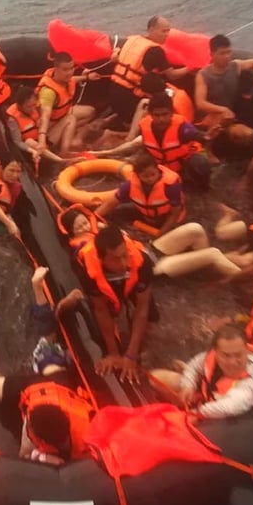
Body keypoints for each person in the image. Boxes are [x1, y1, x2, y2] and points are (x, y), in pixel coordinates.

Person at [0, 293, 95, 464]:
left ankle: (43, 310)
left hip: (58, 382)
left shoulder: (85, 432)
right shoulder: (33, 428)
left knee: (49, 355)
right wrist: (42, 456)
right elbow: (24, 455)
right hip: (33, 388)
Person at [62, 206, 242, 281]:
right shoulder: (87, 249)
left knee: (195, 229)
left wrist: (103, 227)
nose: (85, 227)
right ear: (72, 233)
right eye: (79, 227)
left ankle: (203, 271)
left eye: (85, 222)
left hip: (149, 250)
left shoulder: (100, 231)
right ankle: (251, 280)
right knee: (213, 253)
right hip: (153, 268)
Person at [78, 226, 158, 378]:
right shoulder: (88, 272)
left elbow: (142, 308)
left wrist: (131, 355)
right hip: (106, 283)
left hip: (134, 279)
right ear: (102, 259)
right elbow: (101, 310)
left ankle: (142, 346)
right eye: (116, 259)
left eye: (125, 255)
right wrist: (113, 353)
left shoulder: (142, 262)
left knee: (151, 317)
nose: (124, 263)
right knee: (105, 316)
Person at [93, 93, 217, 189]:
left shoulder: (182, 127)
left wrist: (207, 137)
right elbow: (147, 149)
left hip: (183, 165)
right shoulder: (144, 126)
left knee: (200, 163)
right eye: (157, 115)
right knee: (140, 167)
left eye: (165, 114)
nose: (161, 119)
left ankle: (203, 187)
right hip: (161, 166)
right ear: (150, 114)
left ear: (171, 113)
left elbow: (199, 136)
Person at [150, 324, 253, 419]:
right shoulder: (209, 357)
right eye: (226, 355)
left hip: (224, 419)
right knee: (154, 377)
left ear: (247, 350)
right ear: (216, 352)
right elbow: (194, 367)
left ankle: (180, 411)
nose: (232, 362)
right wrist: (188, 386)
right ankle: (179, 404)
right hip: (205, 398)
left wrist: (197, 413)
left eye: (238, 355)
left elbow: (229, 407)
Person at [107, 15, 191, 131]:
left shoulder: (132, 39)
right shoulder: (155, 50)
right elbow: (172, 75)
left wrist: (115, 52)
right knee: (168, 97)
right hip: (129, 98)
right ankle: (133, 130)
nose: (167, 35)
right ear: (151, 30)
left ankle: (116, 120)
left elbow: (116, 51)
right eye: (163, 31)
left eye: (168, 31)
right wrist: (191, 68)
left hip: (113, 94)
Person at [194, 34, 253, 160]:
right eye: (222, 53)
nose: (227, 56)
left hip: (230, 117)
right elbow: (200, 103)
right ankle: (208, 149)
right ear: (212, 54)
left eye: (228, 52)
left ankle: (240, 151)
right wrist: (222, 110)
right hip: (209, 117)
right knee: (221, 116)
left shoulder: (235, 66)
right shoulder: (203, 75)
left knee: (248, 134)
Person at [96, 151, 186, 234]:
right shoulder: (129, 186)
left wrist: (160, 233)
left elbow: (174, 214)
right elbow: (110, 204)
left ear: (158, 170)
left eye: (153, 174)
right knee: (115, 212)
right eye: (145, 176)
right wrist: (94, 217)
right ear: (138, 176)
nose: (150, 179)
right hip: (146, 215)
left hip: (168, 218)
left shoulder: (171, 186)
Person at [34, 52, 99, 154]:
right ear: (56, 69)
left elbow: (73, 79)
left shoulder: (66, 79)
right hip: (48, 132)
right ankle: (65, 151)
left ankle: (67, 133)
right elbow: (44, 117)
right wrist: (41, 141)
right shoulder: (48, 92)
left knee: (90, 111)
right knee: (70, 118)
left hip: (60, 117)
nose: (69, 73)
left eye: (71, 68)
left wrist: (87, 77)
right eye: (65, 69)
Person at [6, 87, 72, 165]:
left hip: (44, 140)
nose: (32, 109)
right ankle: (60, 161)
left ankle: (64, 153)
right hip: (33, 150)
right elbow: (17, 142)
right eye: (28, 107)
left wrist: (41, 121)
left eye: (34, 105)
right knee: (29, 141)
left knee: (70, 119)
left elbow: (47, 120)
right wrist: (32, 151)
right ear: (19, 106)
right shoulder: (12, 119)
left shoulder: (37, 107)